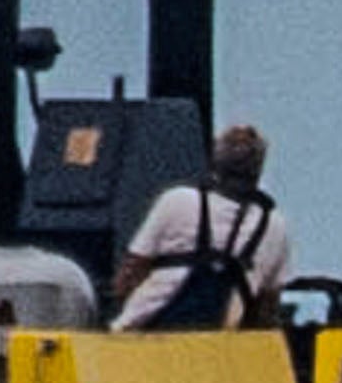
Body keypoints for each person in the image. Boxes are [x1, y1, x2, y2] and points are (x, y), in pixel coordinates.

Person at [106, 119, 292, 331]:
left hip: (142, 335)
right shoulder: (274, 226)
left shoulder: (178, 200)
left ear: (215, 161)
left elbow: (133, 270)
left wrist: (115, 305)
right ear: (259, 168)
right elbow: (267, 306)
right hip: (222, 345)